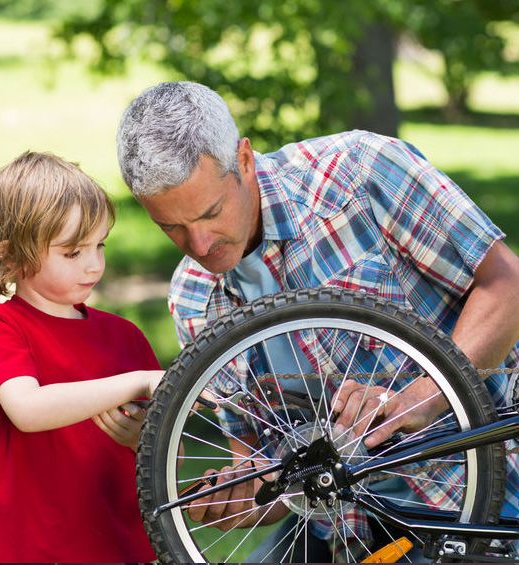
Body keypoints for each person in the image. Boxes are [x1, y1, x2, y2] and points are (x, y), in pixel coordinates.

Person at [116, 81, 519, 560]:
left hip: (482, 497)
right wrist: (226, 493)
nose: (200, 245)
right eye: (173, 228)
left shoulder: (361, 174)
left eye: (211, 213)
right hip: (350, 531)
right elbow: (262, 474)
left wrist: (425, 396)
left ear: (243, 160)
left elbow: (507, 285)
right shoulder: (192, 297)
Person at [0, 151, 164, 563]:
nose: (94, 265)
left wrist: (148, 439)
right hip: (36, 551)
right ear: (13, 255)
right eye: (72, 252)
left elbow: (174, 449)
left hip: (124, 548)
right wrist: (139, 381)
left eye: (100, 245)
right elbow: (29, 410)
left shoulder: (124, 336)